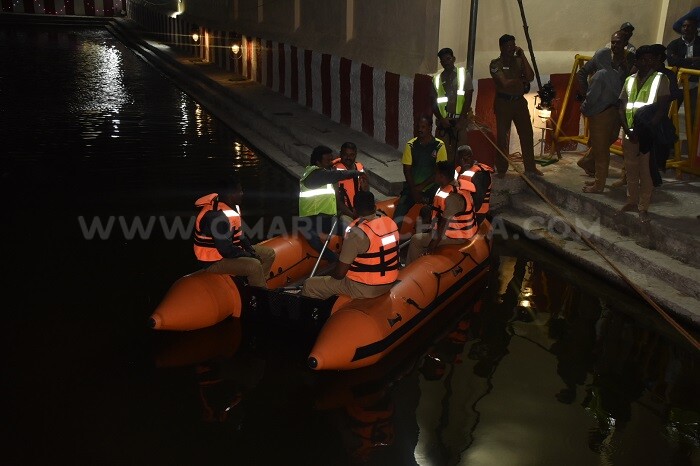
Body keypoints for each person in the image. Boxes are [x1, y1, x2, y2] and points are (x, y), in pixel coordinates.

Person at [301, 191, 400, 300]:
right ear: (375, 207)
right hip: (388, 283)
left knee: (309, 284)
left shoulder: (355, 235)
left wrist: (329, 276)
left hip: (364, 288)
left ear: (355, 210)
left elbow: (339, 274)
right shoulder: (390, 223)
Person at [618, 45, 671, 223]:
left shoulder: (660, 79)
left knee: (646, 171)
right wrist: (627, 129)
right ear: (637, 61)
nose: (648, 63)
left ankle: (643, 207)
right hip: (629, 133)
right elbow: (622, 106)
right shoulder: (630, 80)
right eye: (644, 59)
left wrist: (645, 130)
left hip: (647, 135)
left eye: (651, 59)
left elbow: (662, 108)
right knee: (630, 169)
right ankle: (631, 201)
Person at [193, 175, 276, 288]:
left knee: (269, 254)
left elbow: (240, 235)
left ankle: (258, 285)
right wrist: (249, 256)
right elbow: (226, 250)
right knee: (254, 265)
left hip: (230, 251)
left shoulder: (233, 207)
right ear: (230, 194)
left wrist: (250, 251)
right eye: (239, 191)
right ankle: (260, 298)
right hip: (214, 261)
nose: (242, 193)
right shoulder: (217, 217)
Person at [576, 31, 635, 184]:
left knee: (612, 137)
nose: (615, 45)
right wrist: (586, 95)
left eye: (618, 42)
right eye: (613, 42)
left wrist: (626, 68)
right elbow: (582, 73)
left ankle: (587, 161)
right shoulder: (602, 56)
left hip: (618, 106)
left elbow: (631, 81)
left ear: (625, 44)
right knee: (601, 146)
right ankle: (599, 181)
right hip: (600, 107)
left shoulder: (629, 59)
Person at [299, 145, 366, 262]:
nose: (331, 163)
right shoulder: (315, 175)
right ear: (317, 162)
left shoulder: (325, 172)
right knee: (318, 244)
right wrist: (356, 173)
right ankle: (340, 262)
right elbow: (337, 175)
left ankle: (358, 258)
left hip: (326, 219)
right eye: (327, 161)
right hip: (310, 220)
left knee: (352, 233)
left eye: (331, 159)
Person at [405, 161, 477, 265]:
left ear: (442, 176)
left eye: (436, 173)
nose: (434, 176)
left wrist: (432, 246)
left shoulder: (453, 198)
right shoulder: (451, 186)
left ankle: (411, 268)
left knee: (416, 240)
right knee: (420, 225)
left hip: (457, 236)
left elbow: (443, 226)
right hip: (450, 229)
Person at [490, 34, 542, 177]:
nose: (511, 49)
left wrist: (523, 55)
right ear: (501, 47)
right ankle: (501, 169)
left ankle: (530, 168)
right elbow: (504, 83)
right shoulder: (495, 64)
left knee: (527, 133)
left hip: (519, 102)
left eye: (513, 46)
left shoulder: (519, 61)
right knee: (502, 136)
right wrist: (520, 79)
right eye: (508, 46)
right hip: (503, 103)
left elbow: (530, 77)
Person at [579, 50, 625, 193]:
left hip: (600, 115)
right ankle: (599, 179)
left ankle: (598, 186)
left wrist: (583, 108)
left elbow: (591, 98)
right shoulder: (616, 73)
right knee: (604, 150)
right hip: (613, 113)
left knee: (600, 152)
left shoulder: (599, 75)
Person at [393, 115, 448, 232]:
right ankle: (394, 243)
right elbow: (406, 169)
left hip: (431, 188)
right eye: (418, 126)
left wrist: (421, 187)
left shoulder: (439, 145)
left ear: (430, 127)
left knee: (436, 213)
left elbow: (439, 171)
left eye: (423, 127)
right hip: (412, 188)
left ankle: (428, 239)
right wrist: (414, 190)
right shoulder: (411, 145)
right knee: (398, 213)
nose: (420, 129)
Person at [431, 47, 474, 163]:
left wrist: (461, 119)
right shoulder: (436, 79)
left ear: (453, 59)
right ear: (441, 63)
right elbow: (434, 102)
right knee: (443, 155)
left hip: (460, 121)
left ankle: (460, 179)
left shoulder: (464, 74)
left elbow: (468, 97)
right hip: (444, 122)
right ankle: (446, 180)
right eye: (443, 60)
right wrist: (441, 119)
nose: (446, 62)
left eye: (448, 59)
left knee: (462, 153)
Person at [667, 17, 700, 124]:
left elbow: (679, 61)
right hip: (678, 84)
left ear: (696, 29)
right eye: (684, 26)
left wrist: (683, 61)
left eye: (689, 26)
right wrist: (692, 60)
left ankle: (691, 140)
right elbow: (672, 61)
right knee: (670, 112)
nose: (686, 28)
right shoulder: (674, 44)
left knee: (693, 114)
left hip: (695, 84)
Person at [332, 141, 368, 228]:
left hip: (359, 211)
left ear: (355, 155)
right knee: (352, 229)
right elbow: (337, 201)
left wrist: (365, 189)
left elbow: (366, 193)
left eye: (351, 155)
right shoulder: (334, 172)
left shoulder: (360, 168)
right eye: (345, 154)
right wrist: (353, 216)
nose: (348, 157)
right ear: (340, 154)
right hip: (343, 213)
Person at [455, 145, 492, 222]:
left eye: (466, 158)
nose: (463, 161)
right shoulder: (457, 170)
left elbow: (478, 203)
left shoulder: (480, 174)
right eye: (460, 159)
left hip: (476, 214)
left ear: (472, 156)